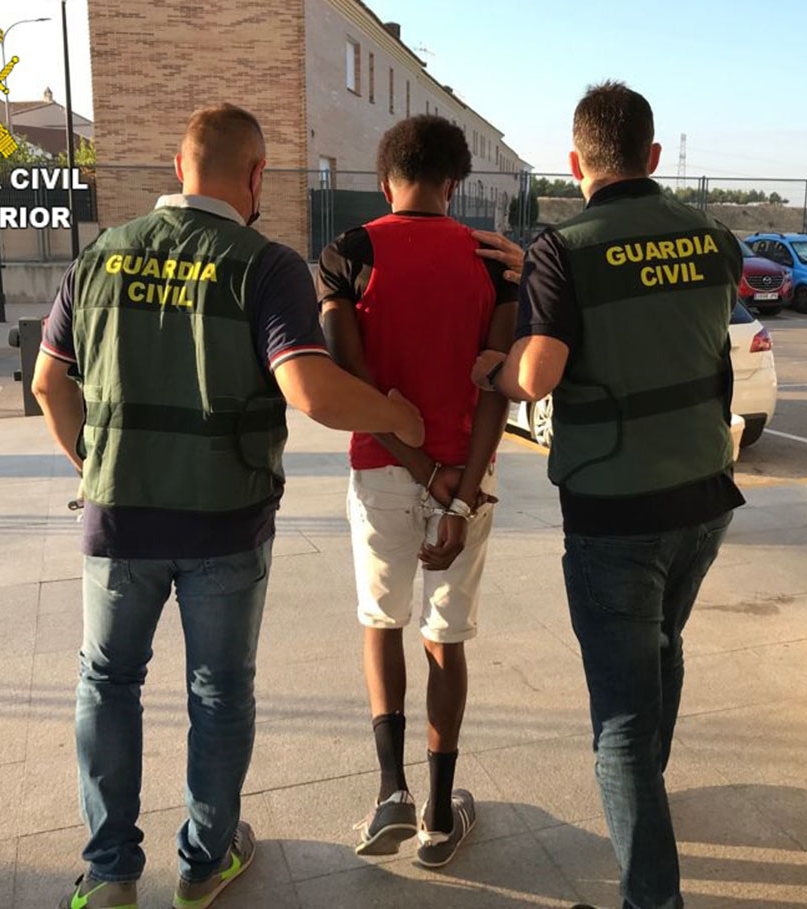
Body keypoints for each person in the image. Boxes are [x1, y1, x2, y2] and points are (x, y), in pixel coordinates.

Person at [31, 103, 424, 909]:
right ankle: (203, 864)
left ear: (178, 168)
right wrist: (398, 414)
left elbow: (48, 382)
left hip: (118, 519)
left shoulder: (100, 255)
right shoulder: (264, 264)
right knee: (218, 691)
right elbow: (309, 387)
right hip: (224, 524)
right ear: (255, 178)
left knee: (107, 683)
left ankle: (110, 873)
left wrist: (97, 461)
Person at [472, 82, 745, 909]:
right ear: (653, 156)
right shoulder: (714, 237)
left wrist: (496, 367)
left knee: (619, 721)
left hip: (616, 508)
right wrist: (553, 279)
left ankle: (649, 899)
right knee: (664, 646)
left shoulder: (567, 245)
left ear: (575, 161)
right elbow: (656, 303)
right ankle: (646, 805)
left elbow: (539, 374)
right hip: (704, 494)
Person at [316, 114, 517, 868]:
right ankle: (439, 817)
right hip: (470, 470)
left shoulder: (348, 254)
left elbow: (349, 377)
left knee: (381, 620)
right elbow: (496, 385)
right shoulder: (493, 259)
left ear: (384, 177)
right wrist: (456, 491)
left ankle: (391, 790)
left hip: (378, 467)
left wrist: (414, 462)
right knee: (445, 636)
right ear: (454, 184)